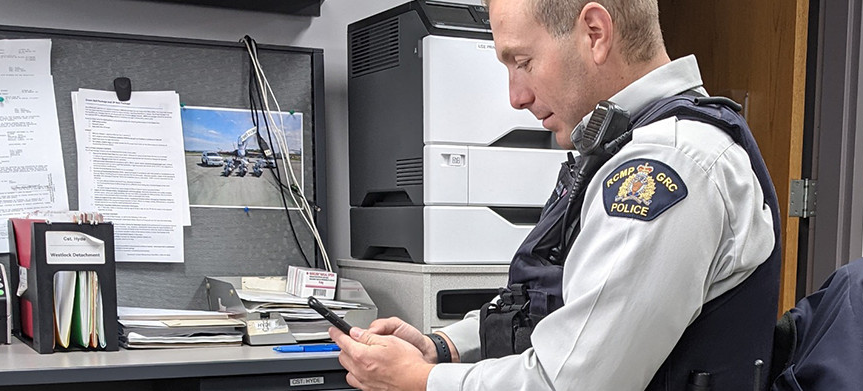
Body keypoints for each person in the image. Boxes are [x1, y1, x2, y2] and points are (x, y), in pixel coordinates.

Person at [330, 1, 779, 390]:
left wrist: (417, 381)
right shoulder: (622, 145)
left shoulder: (667, 166)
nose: (515, 97)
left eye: (522, 61)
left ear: (595, 34)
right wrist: (442, 347)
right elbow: (557, 303)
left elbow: (566, 381)